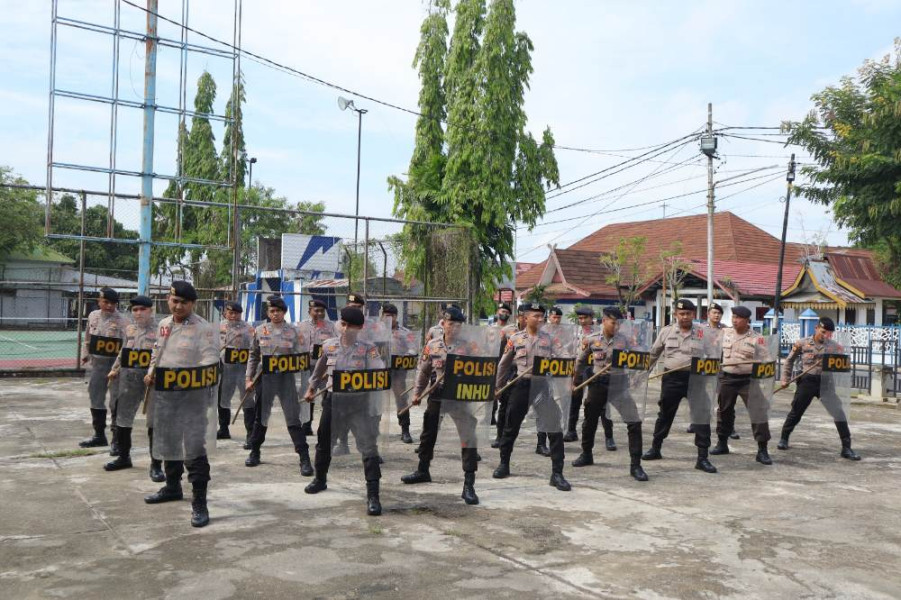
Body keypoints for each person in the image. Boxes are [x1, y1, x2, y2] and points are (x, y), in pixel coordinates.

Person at [143, 281, 220, 528]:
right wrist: (151, 370)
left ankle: (199, 502)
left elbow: (211, 359)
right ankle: (172, 486)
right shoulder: (164, 325)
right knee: (169, 443)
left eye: (184, 303)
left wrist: (188, 373)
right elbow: (158, 352)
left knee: (194, 449)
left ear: (193, 304)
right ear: (168, 299)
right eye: (174, 301)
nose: (178, 306)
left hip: (192, 398)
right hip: (166, 395)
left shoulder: (204, 328)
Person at [303, 306, 387, 516]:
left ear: (359, 328)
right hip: (334, 402)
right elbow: (319, 370)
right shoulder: (329, 345)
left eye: (351, 326)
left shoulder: (369, 349)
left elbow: (379, 373)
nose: (346, 329)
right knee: (324, 442)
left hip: (359, 405)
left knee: (368, 447)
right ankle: (320, 479)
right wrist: (311, 388)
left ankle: (373, 495)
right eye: (343, 324)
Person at [401, 307, 483, 504]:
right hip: (437, 393)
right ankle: (423, 470)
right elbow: (423, 371)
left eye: (458, 325)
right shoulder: (433, 345)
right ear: (443, 323)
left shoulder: (469, 346)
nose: (454, 328)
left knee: (468, 436)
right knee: (428, 433)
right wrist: (417, 393)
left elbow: (481, 370)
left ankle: (469, 484)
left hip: (460, 396)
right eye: (451, 323)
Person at [493, 303, 572, 491]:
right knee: (511, 425)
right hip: (522, 385)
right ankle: (504, 464)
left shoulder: (550, 339)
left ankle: (557, 473)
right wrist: (498, 387)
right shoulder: (515, 338)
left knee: (554, 427)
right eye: (536, 316)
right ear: (525, 317)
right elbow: (503, 365)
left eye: (541, 316)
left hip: (542, 386)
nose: (540, 319)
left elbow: (564, 356)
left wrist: (568, 372)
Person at [571, 307, 649, 481]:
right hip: (598, 384)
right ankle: (586, 454)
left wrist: (637, 377)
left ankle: (636, 465)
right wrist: (575, 382)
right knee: (589, 421)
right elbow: (580, 362)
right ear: (604, 321)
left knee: (634, 422)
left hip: (619, 385)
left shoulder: (627, 340)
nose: (616, 327)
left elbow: (639, 359)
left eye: (619, 324)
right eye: (613, 323)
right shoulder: (591, 340)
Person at [643, 299, 718, 473]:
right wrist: (643, 374)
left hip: (696, 380)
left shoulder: (703, 333)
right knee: (664, 414)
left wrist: (713, 375)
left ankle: (702, 457)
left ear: (694, 315)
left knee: (701, 417)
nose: (685, 317)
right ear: (675, 314)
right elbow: (653, 354)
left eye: (688, 314)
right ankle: (656, 448)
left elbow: (713, 356)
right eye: (681, 313)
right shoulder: (666, 331)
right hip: (671, 379)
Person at [244, 296, 313, 477]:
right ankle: (255, 451)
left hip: (285, 380)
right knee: (261, 417)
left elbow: (301, 357)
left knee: (293, 419)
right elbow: (253, 356)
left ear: (284, 312)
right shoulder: (260, 330)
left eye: (278, 311)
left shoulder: (294, 331)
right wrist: (248, 379)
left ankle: (304, 458)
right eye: (272, 311)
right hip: (264, 379)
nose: (275, 314)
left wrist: (305, 382)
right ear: (268, 312)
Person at [777, 317, 861, 460]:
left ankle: (846, 447)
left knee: (839, 413)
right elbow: (789, 360)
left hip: (826, 383)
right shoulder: (802, 343)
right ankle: (784, 438)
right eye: (823, 332)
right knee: (796, 411)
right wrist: (784, 378)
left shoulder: (834, 346)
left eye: (829, 333)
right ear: (816, 328)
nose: (825, 336)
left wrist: (841, 358)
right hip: (807, 381)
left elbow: (843, 364)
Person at [710, 305, 774, 464]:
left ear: (747, 321)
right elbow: (712, 350)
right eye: (733, 317)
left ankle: (762, 450)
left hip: (748, 380)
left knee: (758, 412)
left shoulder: (757, 338)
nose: (734, 320)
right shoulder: (724, 333)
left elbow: (767, 360)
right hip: (727, 378)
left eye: (738, 318)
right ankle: (722, 443)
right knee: (724, 411)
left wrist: (762, 363)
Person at [104, 295, 157, 474]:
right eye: (135, 310)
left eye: (143, 309)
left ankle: (156, 465)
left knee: (154, 422)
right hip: (130, 379)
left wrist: (153, 373)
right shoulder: (130, 329)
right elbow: (124, 351)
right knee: (123, 419)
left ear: (151, 310)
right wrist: (115, 368)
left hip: (152, 382)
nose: (139, 313)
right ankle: (124, 456)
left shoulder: (161, 329)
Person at [79, 287, 127, 449]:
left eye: (112, 303)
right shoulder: (93, 316)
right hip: (97, 365)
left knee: (116, 401)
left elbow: (126, 345)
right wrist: (85, 354)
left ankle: (116, 439)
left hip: (115, 366)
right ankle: (99, 435)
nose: (108, 306)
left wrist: (119, 367)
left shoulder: (123, 321)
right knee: (96, 398)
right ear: (99, 301)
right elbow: (87, 337)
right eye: (105, 302)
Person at [298, 299, 338, 437]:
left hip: (324, 366)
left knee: (326, 395)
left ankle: (326, 425)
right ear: (310, 311)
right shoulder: (301, 326)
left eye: (322, 311)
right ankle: (306, 424)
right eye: (316, 310)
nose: (319, 313)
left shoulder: (331, 327)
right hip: (306, 365)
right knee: (308, 393)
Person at [218, 301, 254, 442]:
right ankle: (223, 429)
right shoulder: (219, 328)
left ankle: (250, 433)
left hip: (243, 371)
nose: (233, 316)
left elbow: (255, 350)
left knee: (247, 401)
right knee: (223, 400)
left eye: (236, 313)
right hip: (225, 370)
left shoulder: (248, 329)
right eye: (230, 313)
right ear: (225, 313)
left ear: (240, 314)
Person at [382, 302, 417, 443]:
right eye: (385, 316)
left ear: (396, 317)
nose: (388, 319)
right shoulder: (376, 331)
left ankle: (405, 430)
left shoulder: (405, 332)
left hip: (398, 372)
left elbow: (413, 348)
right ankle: (372, 432)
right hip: (380, 371)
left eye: (390, 316)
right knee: (376, 401)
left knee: (401, 399)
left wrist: (407, 355)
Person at [490, 302, 518, 448]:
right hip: (492, 365)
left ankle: (502, 435)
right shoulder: (490, 328)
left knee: (505, 401)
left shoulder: (512, 330)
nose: (504, 314)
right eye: (502, 311)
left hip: (507, 368)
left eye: (507, 312)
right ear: (497, 312)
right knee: (492, 394)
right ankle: (492, 418)